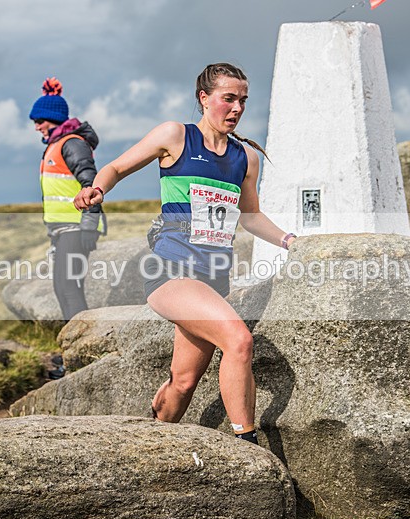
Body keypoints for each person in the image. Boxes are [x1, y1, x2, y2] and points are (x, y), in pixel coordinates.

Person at [74, 63, 297, 445]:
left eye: (243, 100)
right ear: (204, 98)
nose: (237, 108)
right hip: (171, 272)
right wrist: (96, 188)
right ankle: (247, 444)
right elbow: (116, 166)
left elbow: (252, 216)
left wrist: (291, 240)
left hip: (214, 279)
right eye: (228, 98)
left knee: (183, 382)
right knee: (239, 340)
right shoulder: (175, 136)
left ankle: (153, 442)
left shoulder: (247, 158)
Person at [30, 75, 105, 320]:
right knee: (62, 288)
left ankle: (81, 352)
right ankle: (73, 351)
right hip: (63, 229)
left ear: (53, 119)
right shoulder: (55, 145)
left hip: (76, 228)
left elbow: (92, 185)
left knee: (69, 288)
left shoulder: (72, 144)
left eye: (39, 121)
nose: (36, 126)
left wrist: (89, 225)